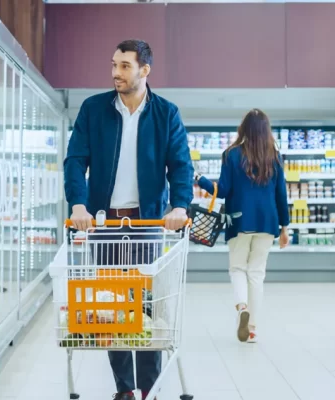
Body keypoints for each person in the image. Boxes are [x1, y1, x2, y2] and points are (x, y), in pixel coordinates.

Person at [64, 39, 194, 400]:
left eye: (124, 66)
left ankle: (149, 385)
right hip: (103, 225)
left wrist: (180, 205)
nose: (115, 73)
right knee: (112, 305)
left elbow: (181, 164)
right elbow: (75, 160)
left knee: (149, 304)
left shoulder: (166, 114)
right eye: (113, 65)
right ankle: (124, 388)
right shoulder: (94, 110)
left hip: (147, 224)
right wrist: (78, 204)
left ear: (144, 71)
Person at [194, 108, 290, 344]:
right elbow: (281, 195)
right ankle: (253, 328)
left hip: (239, 219)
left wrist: (200, 180)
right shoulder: (275, 156)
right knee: (257, 273)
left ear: (243, 129)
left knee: (238, 269)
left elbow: (223, 190)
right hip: (267, 221)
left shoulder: (232, 154)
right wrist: (285, 227)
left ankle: (242, 307)